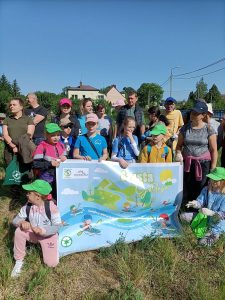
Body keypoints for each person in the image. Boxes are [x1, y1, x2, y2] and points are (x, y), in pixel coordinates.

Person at [11, 179, 61, 277]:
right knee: (19, 231)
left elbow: (57, 226)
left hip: (48, 236)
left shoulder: (52, 208)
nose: (26, 195)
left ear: (38, 196)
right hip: (33, 233)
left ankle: (54, 251)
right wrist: (21, 222)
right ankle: (19, 260)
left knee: (51, 264)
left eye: (29, 193)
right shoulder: (28, 206)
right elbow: (15, 220)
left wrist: (43, 231)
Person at [175, 101, 217, 208]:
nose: (193, 114)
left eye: (196, 113)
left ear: (203, 115)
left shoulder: (209, 129)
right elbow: (179, 145)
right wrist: (178, 153)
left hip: (203, 164)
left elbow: (214, 150)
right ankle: (187, 208)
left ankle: (200, 209)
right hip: (187, 163)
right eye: (192, 112)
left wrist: (213, 167)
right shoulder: (184, 129)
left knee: (201, 186)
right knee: (187, 185)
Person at [181, 167, 225, 246]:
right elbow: (200, 202)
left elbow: (223, 214)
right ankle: (202, 229)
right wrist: (195, 203)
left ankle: (214, 235)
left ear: (223, 181)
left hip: (216, 226)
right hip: (203, 218)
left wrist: (211, 213)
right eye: (211, 179)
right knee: (182, 216)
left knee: (202, 243)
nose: (212, 181)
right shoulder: (206, 189)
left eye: (216, 180)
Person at [3, 98, 35, 204]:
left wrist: (20, 146)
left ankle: (27, 194)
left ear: (21, 107)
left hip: (24, 148)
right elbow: (5, 135)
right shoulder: (7, 119)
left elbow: (29, 134)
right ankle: (15, 196)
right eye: (10, 105)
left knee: (26, 171)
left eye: (14, 104)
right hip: (10, 149)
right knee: (12, 171)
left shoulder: (28, 119)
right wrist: (12, 146)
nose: (11, 106)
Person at [32, 123, 67, 200]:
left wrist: (65, 157)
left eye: (58, 135)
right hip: (47, 179)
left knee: (58, 197)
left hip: (60, 178)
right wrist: (50, 163)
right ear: (46, 135)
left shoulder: (61, 145)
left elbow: (65, 157)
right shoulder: (41, 146)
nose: (56, 138)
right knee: (47, 198)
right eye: (53, 135)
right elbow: (35, 164)